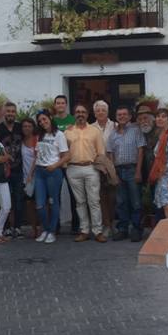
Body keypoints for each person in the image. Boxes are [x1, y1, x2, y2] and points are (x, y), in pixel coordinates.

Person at [64, 104, 107, 242]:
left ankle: (98, 231)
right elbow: (63, 152)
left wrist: (100, 168)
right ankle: (84, 230)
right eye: (77, 112)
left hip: (91, 168)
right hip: (73, 169)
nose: (80, 114)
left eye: (83, 112)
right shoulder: (67, 132)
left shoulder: (95, 131)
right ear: (74, 115)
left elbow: (101, 152)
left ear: (87, 115)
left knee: (94, 201)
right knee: (80, 202)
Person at [107, 105, 145, 242]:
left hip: (132, 169)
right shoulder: (113, 135)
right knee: (121, 201)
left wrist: (139, 171)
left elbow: (141, 151)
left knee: (136, 201)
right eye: (119, 115)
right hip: (118, 170)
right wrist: (113, 173)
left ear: (129, 117)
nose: (122, 117)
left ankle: (136, 229)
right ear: (116, 117)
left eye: (124, 114)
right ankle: (122, 229)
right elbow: (110, 154)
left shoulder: (136, 131)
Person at [33, 110, 68, 244]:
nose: (42, 122)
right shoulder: (40, 135)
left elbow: (67, 155)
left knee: (53, 202)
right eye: (40, 121)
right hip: (40, 172)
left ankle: (52, 231)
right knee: (40, 205)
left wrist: (55, 166)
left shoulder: (59, 135)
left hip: (53, 172)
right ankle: (46, 229)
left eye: (44, 119)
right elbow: (37, 155)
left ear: (50, 118)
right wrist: (32, 173)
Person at [0, 101, 25, 238]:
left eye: (13, 111)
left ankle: (18, 227)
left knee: (19, 199)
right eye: (8, 111)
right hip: (4, 170)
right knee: (4, 200)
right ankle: (6, 227)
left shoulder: (21, 128)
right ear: (4, 113)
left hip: (19, 169)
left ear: (16, 113)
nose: (10, 114)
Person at [91, 99, 117, 234]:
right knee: (101, 197)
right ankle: (106, 225)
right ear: (94, 113)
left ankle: (113, 223)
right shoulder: (90, 128)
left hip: (113, 164)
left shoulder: (115, 125)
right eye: (98, 110)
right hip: (97, 166)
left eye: (103, 110)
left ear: (107, 112)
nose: (101, 112)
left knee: (113, 197)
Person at [52, 94, 77, 234]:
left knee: (74, 194)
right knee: (55, 195)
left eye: (62, 103)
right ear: (55, 105)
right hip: (55, 162)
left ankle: (76, 225)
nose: (60, 105)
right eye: (58, 103)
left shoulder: (72, 120)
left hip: (70, 161)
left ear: (66, 105)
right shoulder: (52, 121)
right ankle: (55, 225)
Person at [20, 117, 39, 239]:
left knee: (41, 202)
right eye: (24, 126)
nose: (27, 128)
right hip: (24, 175)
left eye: (29, 126)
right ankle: (34, 228)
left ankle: (43, 227)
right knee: (29, 203)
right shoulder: (20, 140)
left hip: (36, 175)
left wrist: (31, 174)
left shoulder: (37, 139)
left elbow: (37, 158)